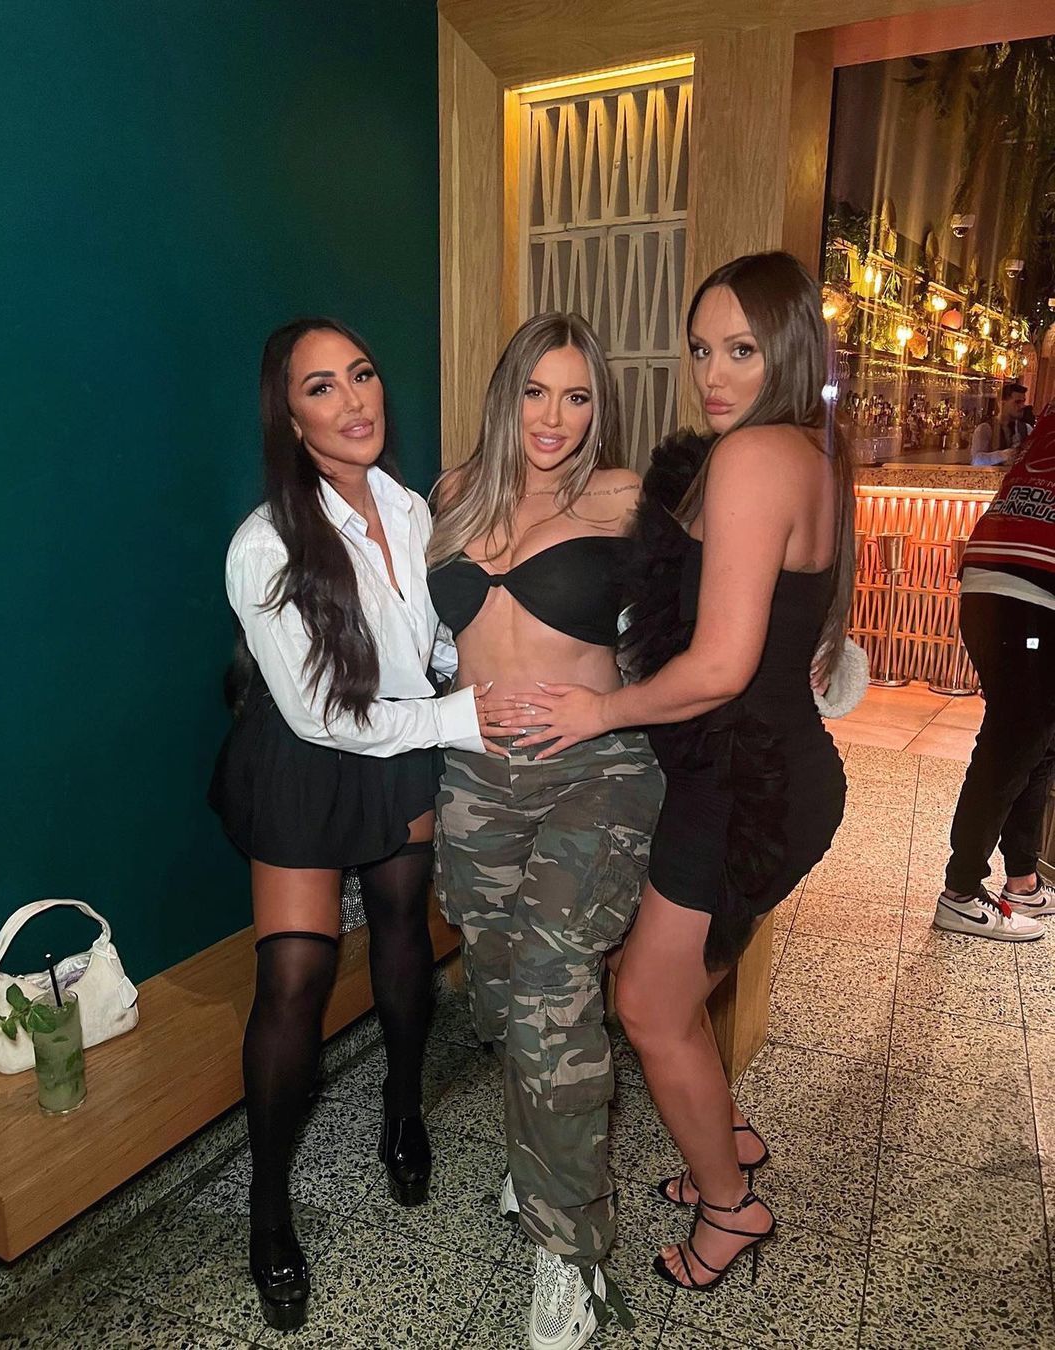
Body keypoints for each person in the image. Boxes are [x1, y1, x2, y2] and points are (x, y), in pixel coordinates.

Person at [495, 252, 853, 1292]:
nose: (714, 373)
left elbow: (722, 666)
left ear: (790, 350)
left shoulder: (756, 457)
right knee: (672, 992)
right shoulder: (799, 453)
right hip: (755, 774)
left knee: (648, 1005)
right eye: (701, 349)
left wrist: (598, 709)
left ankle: (731, 1210)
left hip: (742, 783)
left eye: (742, 349)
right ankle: (723, 1143)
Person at [208, 318, 490, 1331]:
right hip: (308, 761)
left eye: (361, 374)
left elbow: (427, 648)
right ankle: (268, 1209)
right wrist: (462, 717)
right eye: (321, 387)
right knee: (295, 974)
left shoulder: (413, 510)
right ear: (290, 418)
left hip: (400, 743)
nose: (353, 398)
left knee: (406, 933)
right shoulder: (266, 545)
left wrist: (465, 668)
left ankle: (403, 1111)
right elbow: (326, 716)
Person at [428, 312, 664, 1350]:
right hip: (477, 777)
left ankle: (572, 1253)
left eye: (576, 396)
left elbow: (723, 600)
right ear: (506, 394)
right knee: (496, 989)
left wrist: (615, 707)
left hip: (595, 772)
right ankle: (540, 1162)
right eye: (535, 391)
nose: (554, 417)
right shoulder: (453, 495)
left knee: (551, 994)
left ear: (598, 405)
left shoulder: (621, 497)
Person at [934, 399, 1055, 940]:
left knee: (1036, 739)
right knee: (1013, 744)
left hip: (993, 580)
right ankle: (960, 892)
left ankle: (1023, 880)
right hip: (1030, 592)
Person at [970, 383, 1029, 466]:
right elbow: (976, 461)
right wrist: (1004, 455)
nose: (1022, 406)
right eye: (1017, 402)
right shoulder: (985, 428)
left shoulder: (1027, 428)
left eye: (1023, 401)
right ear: (1001, 404)